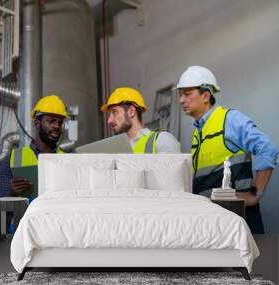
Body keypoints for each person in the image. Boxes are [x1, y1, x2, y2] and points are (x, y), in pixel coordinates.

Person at [176, 65, 279, 233]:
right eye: (180, 95)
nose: (181, 100)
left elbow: (267, 149)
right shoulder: (199, 132)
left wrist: (255, 195)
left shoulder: (229, 119)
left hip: (238, 219)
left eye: (187, 94)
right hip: (214, 221)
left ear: (206, 96)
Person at [0, 95, 68, 198]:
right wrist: (11, 194)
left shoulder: (67, 160)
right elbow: (2, 211)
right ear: (37, 123)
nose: (57, 126)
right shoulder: (13, 159)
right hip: (25, 214)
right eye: (51, 121)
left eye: (60, 122)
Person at [101, 87, 180, 153]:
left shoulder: (162, 141)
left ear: (131, 112)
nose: (109, 120)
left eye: (114, 112)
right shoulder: (114, 150)